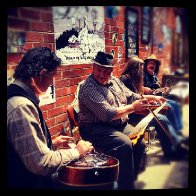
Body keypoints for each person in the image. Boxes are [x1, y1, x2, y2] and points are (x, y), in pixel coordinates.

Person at [77, 51, 174, 190]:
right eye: (99, 70)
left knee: (139, 142)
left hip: (115, 125)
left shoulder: (115, 80)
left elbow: (131, 96)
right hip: (95, 128)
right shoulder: (88, 88)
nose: (103, 74)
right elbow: (107, 114)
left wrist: (152, 98)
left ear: (111, 71)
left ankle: (130, 181)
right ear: (93, 67)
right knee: (124, 144)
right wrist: (133, 108)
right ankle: (125, 186)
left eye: (107, 71)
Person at [7, 47, 93, 189]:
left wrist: (50, 143)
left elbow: (21, 148)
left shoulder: (16, 95)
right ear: (42, 74)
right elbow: (41, 163)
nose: (52, 82)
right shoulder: (21, 107)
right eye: (53, 76)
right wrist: (77, 151)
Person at [120, 56, 189, 155]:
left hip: (140, 109)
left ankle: (175, 142)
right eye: (140, 68)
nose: (141, 71)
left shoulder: (133, 78)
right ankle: (172, 148)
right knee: (161, 118)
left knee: (168, 109)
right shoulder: (125, 79)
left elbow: (136, 96)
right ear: (134, 68)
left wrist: (150, 100)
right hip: (132, 114)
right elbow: (126, 101)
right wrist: (148, 99)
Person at [143, 54, 184, 136]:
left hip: (157, 97)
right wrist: (150, 91)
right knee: (170, 106)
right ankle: (171, 132)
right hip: (149, 100)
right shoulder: (142, 75)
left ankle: (177, 129)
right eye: (150, 63)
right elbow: (141, 88)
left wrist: (164, 89)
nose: (152, 65)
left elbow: (157, 88)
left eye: (154, 64)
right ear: (146, 65)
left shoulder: (153, 75)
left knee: (176, 101)